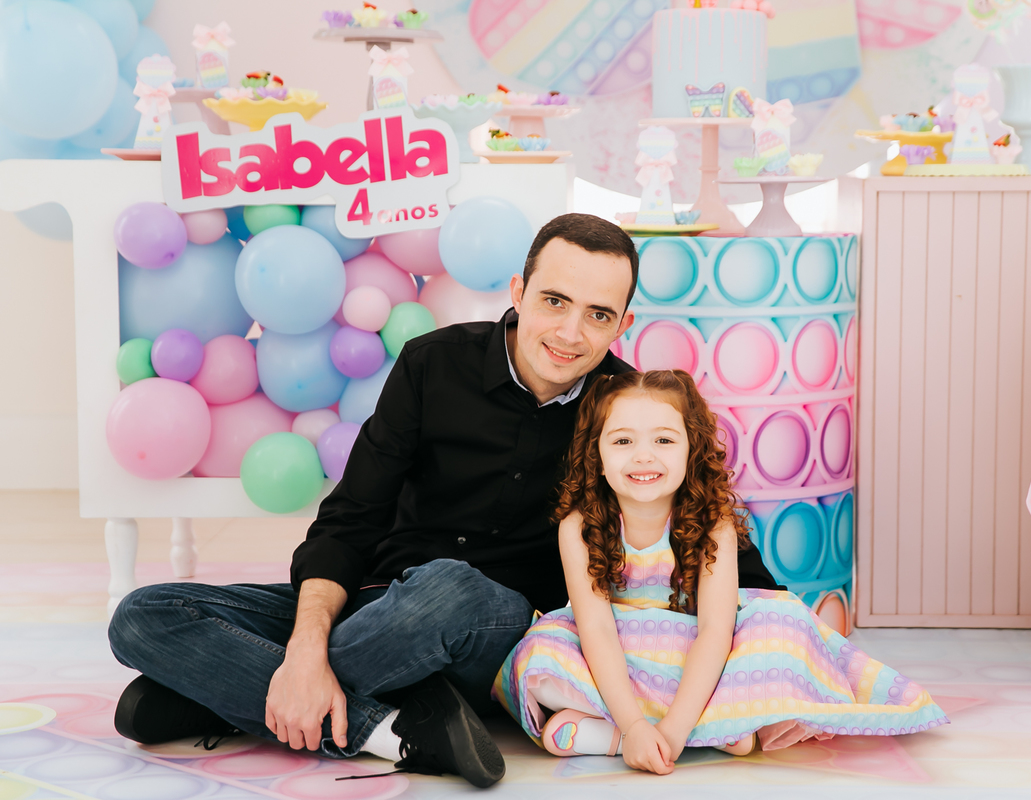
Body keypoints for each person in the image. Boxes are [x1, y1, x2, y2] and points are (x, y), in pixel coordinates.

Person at [106, 214, 783, 789]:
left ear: (622, 324)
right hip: (377, 604)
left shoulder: (628, 413)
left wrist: (793, 645)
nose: (571, 332)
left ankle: (218, 697)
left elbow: (705, 530)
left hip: (495, 631)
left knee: (449, 589)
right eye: (554, 301)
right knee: (142, 615)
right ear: (518, 291)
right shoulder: (432, 363)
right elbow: (351, 518)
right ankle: (389, 726)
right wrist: (306, 646)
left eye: (598, 315)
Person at [493, 370, 948, 774]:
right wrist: (632, 725)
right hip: (617, 654)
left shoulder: (713, 523)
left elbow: (715, 630)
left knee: (783, 626)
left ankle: (638, 734)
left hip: (693, 650)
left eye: (664, 440)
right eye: (623, 441)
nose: (643, 456)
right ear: (596, 452)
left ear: (692, 449)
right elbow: (595, 629)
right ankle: (690, 730)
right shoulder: (579, 526)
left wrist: (673, 730)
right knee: (540, 655)